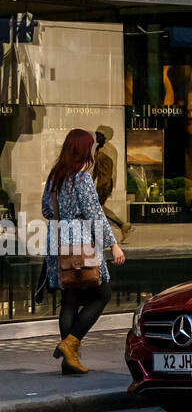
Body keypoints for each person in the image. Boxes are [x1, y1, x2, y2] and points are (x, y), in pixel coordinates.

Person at [42, 129, 125, 375]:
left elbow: (47, 210)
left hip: (58, 242)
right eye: (89, 147)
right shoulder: (82, 179)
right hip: (80, 243)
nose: (92, 152)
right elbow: (95, 215)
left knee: (69, 299)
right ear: (82, 150)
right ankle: (70, 343)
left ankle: (69, 361)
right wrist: (113, 244)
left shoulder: (54, 177)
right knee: (103, 293)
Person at [92, 125, 130, 243]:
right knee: (98, 208)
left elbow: (111, 170)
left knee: (96, 208)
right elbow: (96, 169)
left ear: (105, 137)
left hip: (105, 183)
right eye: (96, 134)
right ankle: (122, 225)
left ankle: (119, 226)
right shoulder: (98, 149)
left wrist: (108, 185)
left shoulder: (110, 149)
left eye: (99, 135)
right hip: (100, 183)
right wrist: (91, 181)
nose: (96, 137)